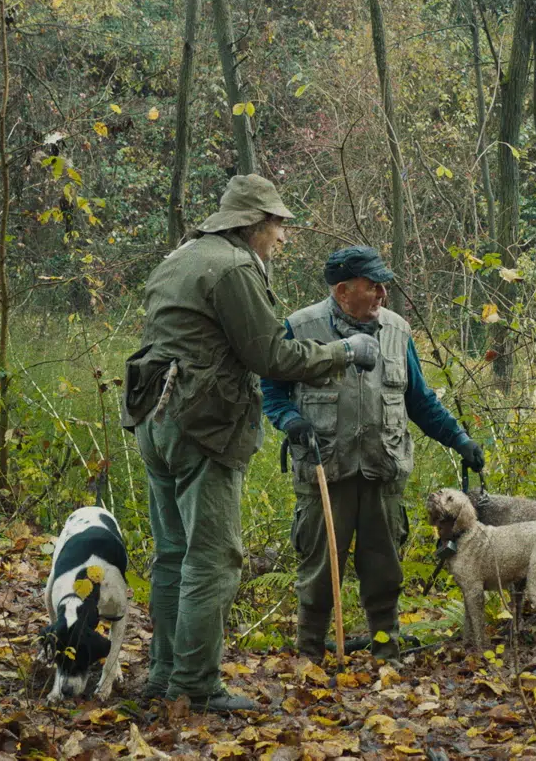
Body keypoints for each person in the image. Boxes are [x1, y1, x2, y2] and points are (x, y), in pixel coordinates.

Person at [120, 175, 381, 713]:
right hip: (203, 425)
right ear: (253, 224)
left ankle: (163, 676)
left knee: (172, 555)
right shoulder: (235, 266)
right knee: (212, 559)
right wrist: (345, 352)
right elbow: (273, 358)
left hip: (154, 418)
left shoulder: (182, 255)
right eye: (279, 224)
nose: (283, 236)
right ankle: (194, 687)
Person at [261, 246, 485, 660]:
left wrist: (459, 440)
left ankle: (386, 650)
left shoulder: (398, 331)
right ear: (343, 291)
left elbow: (420, 401)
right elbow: (272, 390)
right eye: (373, 285)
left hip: (383, 471)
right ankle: (310, 654)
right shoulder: (300, 327)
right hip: (324, 471)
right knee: (319, 570)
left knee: (384, 570)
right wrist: (290, 420)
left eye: (384, 284)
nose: (383, 293)